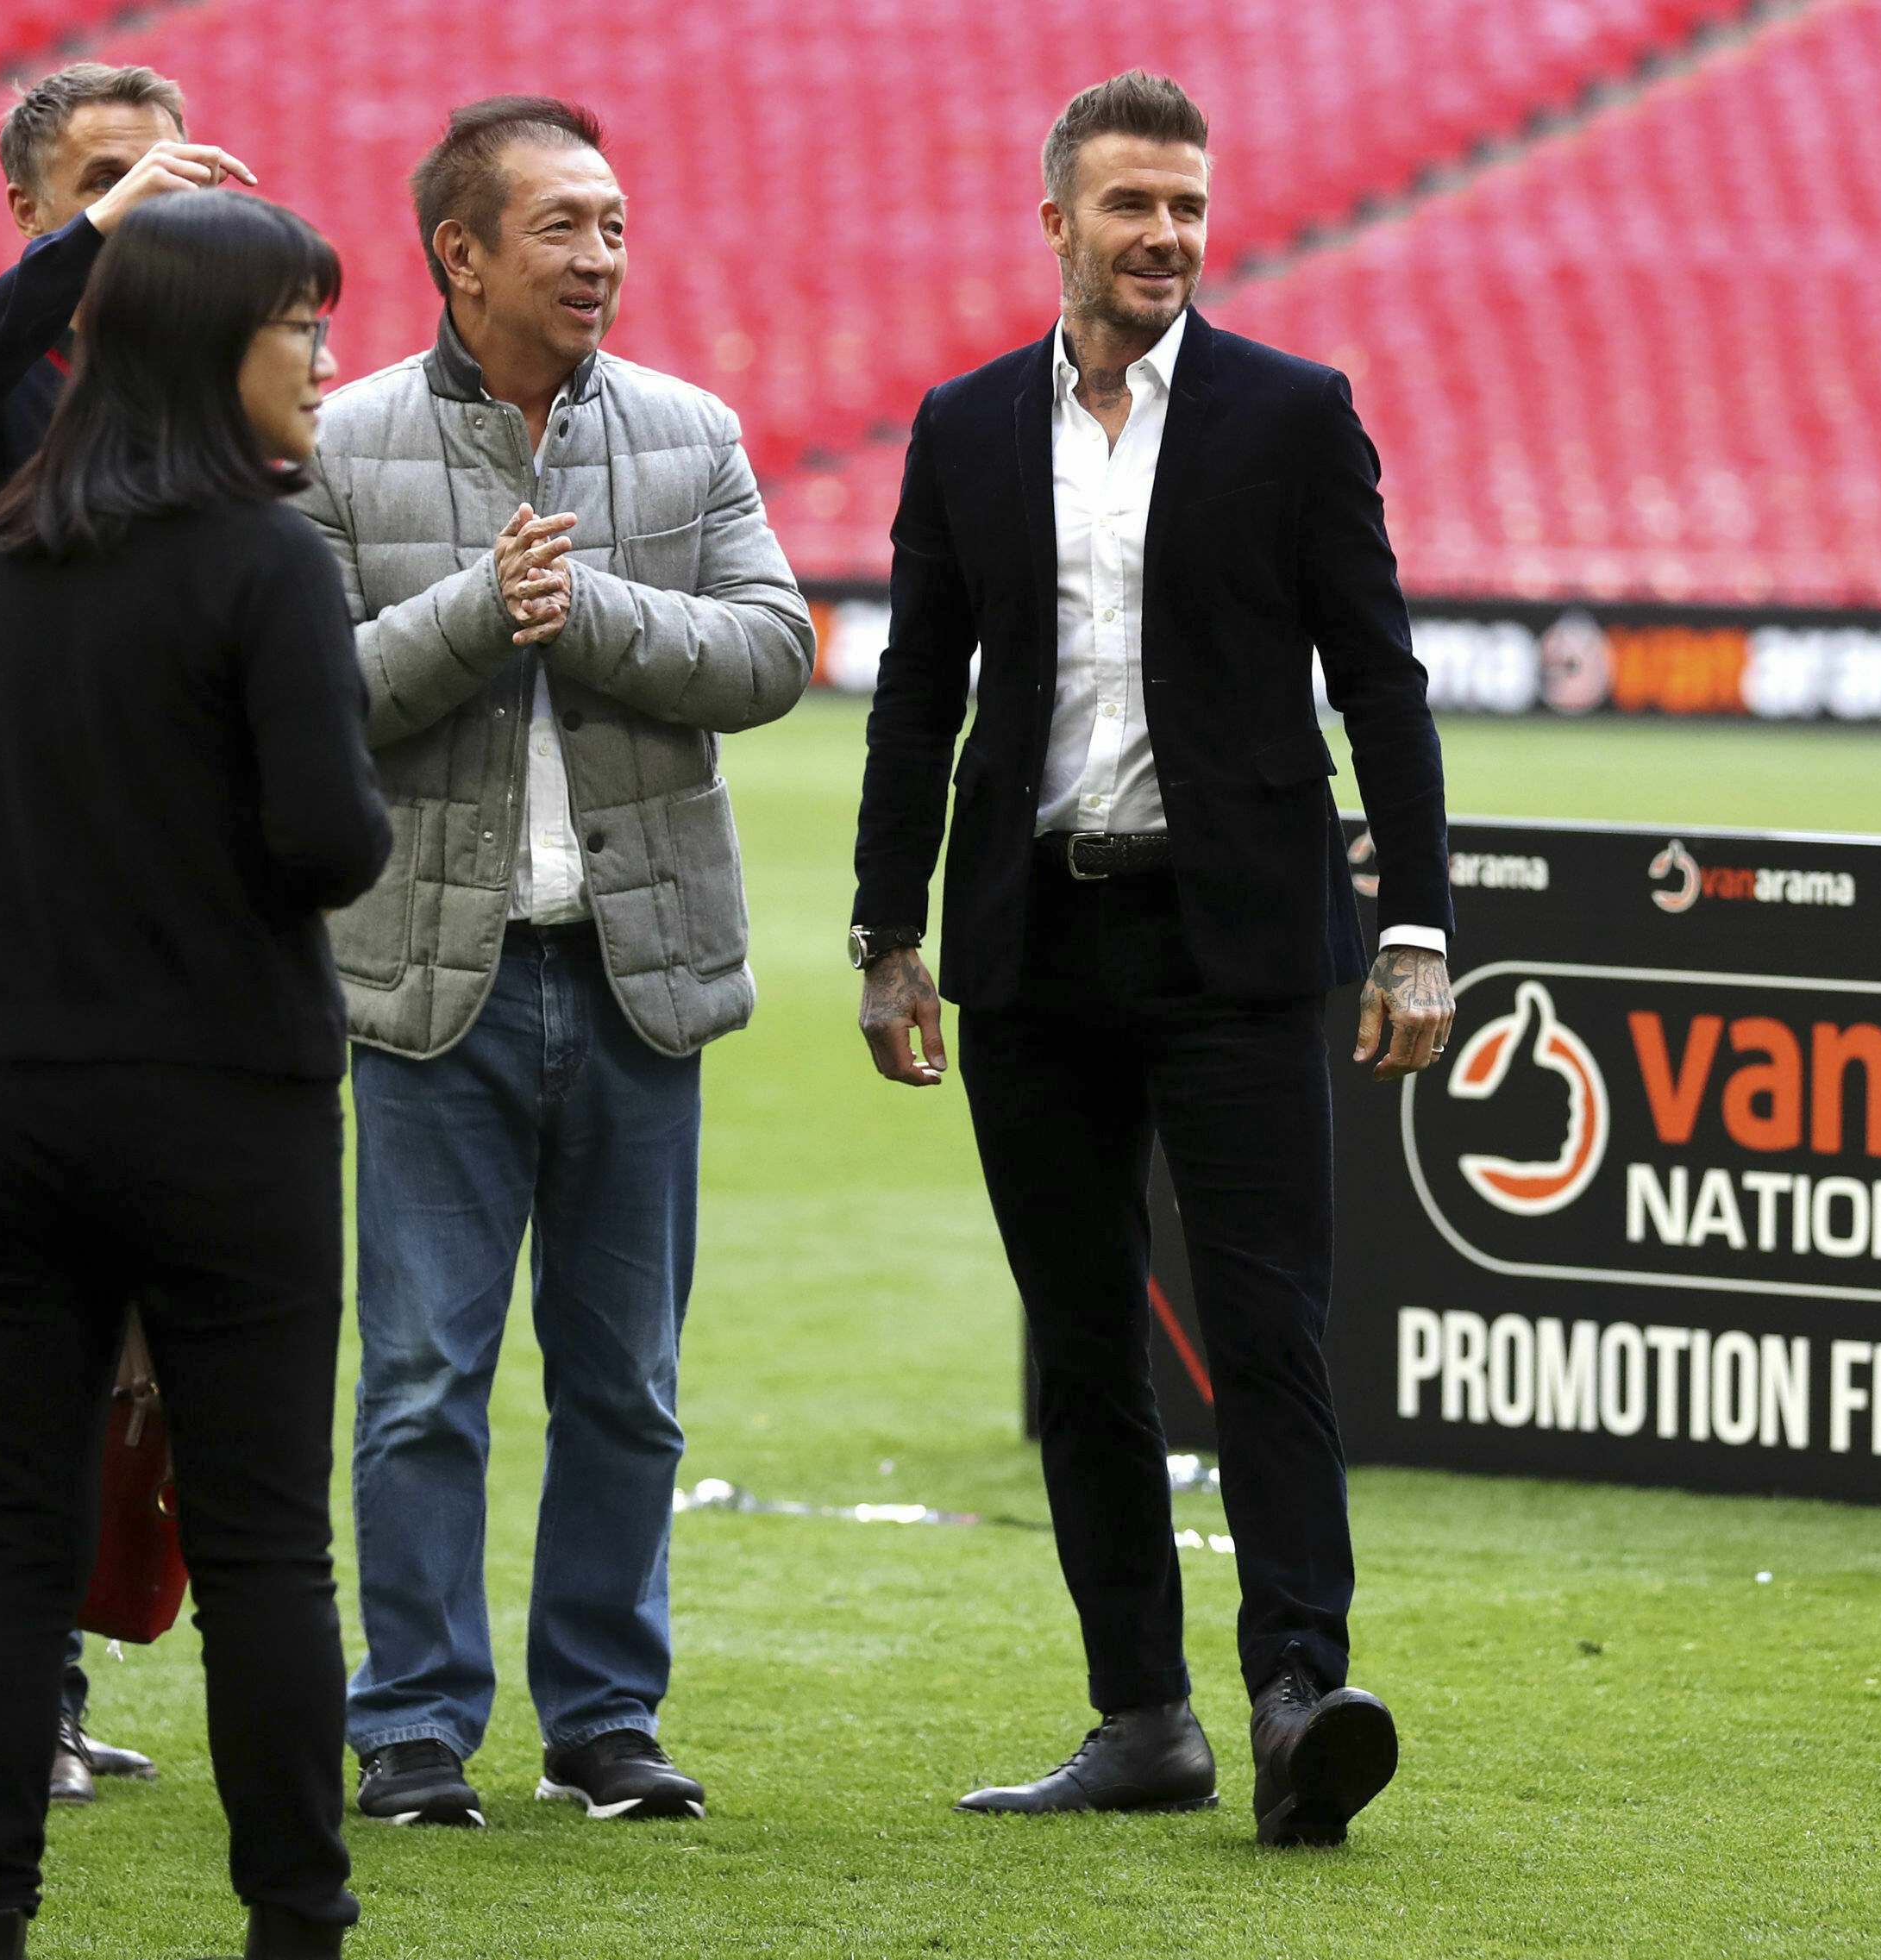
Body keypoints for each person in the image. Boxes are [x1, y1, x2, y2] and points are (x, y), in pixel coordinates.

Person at [852, 72, 1455, 1848]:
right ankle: (1141, 1716)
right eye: (1131, 206)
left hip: (1241, 939)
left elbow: (1382, 685)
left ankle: (1296, 1694)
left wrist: (1415, 924)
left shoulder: (1290, 414)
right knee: (1084, 1343)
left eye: (1187, 205)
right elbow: (913, 696)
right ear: (1056, 221)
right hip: (1036, 943)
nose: (1166, 236)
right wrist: (893, 935)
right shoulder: (961, 426)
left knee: (1264, 1324)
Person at [294, 97, 812, 1831]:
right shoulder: (340, 442)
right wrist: (473, 610)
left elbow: (772, 649)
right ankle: (415, 1725)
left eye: (612, 224)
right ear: (460, 254)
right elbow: (304, 703)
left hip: (633, 972)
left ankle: (605, 1716)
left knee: (629, 1381)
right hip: (425, 978)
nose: (601, 257)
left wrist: (583, 613)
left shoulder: (689, 430)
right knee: (422, 1374)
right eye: (562, 228)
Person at [0, 189, 386, 1960]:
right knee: (267, 1545)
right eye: (303, 333)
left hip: (10, 1097)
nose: (327, 365)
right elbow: (327, 840)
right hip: (226, 1100)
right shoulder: (268, 563)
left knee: (8, 1547)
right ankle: (288, 1959)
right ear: (218, 349)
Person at [0, 59, 254, 1810]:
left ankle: (61, 1652)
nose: (141, 197)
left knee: (121, 1295)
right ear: (28, 209)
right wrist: (113, 233)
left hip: (155, 891)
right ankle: (8, 1679)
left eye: (157, 169)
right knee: (21, 1275)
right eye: (101, 177)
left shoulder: (193, 397)